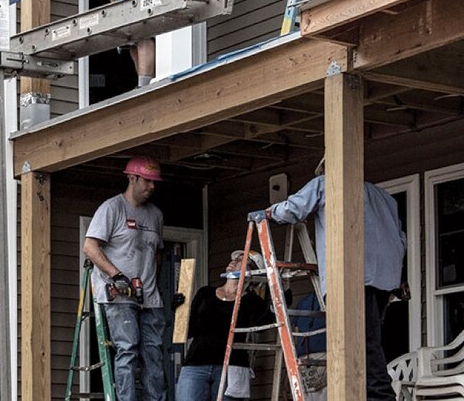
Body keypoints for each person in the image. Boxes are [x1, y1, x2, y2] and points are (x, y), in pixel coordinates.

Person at [264, 158, 407, 401]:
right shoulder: (384, 197)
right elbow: (401, 238)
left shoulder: (326, 183)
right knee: (367, 340)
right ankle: (370, 394)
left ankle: (381, 396)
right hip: (385, 276)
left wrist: (269, 213)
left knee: (362, 344)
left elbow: (293, 209)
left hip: (351, 276)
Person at [83, 155, 166, 401]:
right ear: (132, 178)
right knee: (127, 349)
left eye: (154, 182)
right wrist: (116, 276)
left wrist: (152, 286)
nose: (151, 187)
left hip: (149, 297)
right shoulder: (112, 208)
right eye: (147, 181)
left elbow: (157, 255)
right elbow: (90, 247)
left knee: (153, 352)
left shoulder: (155, 215)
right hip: (119, 295)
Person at [174, 250, 269, 401]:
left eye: (241, 260)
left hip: (230, 367)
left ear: (252, 271)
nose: (234, 261)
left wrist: (279, 291)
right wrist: (178, 310)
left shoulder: (252, 301)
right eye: (234, 258)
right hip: (196, 363)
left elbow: (264, 321)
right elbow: (188, 330)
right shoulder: (206, 293)